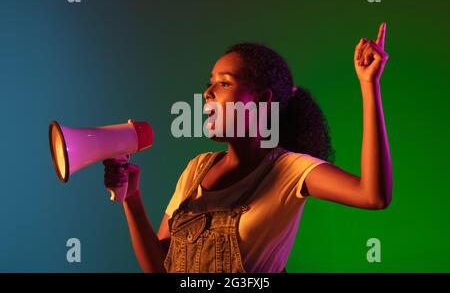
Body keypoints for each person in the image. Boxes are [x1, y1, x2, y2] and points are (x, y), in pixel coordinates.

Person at [103, 23, 392, 273]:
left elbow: (373, 195)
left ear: (262, 100)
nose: (208, 92)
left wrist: (369, 85)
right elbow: (159, 266)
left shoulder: (289, 169)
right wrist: (132, 196)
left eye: (224, 83)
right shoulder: (197, 168)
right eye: (210, 83)